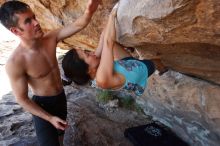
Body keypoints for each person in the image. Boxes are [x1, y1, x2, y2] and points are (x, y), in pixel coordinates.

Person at [0, 0, 101, 146]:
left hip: (60, 98)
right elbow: (22, 99)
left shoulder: (50, 39)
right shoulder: (16, 63)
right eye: (28, 21)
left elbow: (78, 25)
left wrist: (89, 11)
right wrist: (49, 118)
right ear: (15, 31)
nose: (36, 22)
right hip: (42, 106)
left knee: (60, 135)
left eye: (34, 17)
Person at [62, 8, 166, 96]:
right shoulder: (102, 79)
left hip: (125, 65)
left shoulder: (93, 65)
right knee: (155, 62)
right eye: (87, 54)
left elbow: (104, 38)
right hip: (138, 72)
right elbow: (108, 43)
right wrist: (112, 14)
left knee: (110, 43)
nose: (91, 52)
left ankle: (131, 54)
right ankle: (161, 68)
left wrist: (109, 23)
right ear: (88, 70)